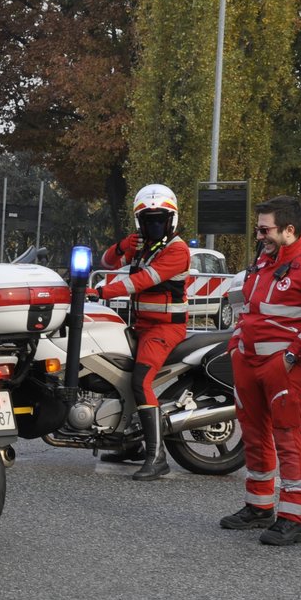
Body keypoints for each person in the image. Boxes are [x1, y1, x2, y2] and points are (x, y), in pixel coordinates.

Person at [218, 195, 301, 545]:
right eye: (258, 229)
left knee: (287, 437)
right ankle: (259, 507)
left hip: (282, 367)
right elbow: (246, 310)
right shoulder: (261, 264)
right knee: (253, 434)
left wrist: (290, 357)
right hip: (248, 363)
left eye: (265, 229)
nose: (259, 236)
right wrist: (235, 347)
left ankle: (292, 517)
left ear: (289, 230)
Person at [93, 184, 192, 480]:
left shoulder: (177, 250)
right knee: (116, 374)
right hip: (140, 326)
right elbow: (107, 262)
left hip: (164, 330)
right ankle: (130, 444)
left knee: (140, 381)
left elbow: (143, 281)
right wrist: (125, 245)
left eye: (159, 219)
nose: (154, 224)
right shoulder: (142, 246)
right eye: (148, 220)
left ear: (171, 220)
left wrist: (101, 292)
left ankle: (156, 455)